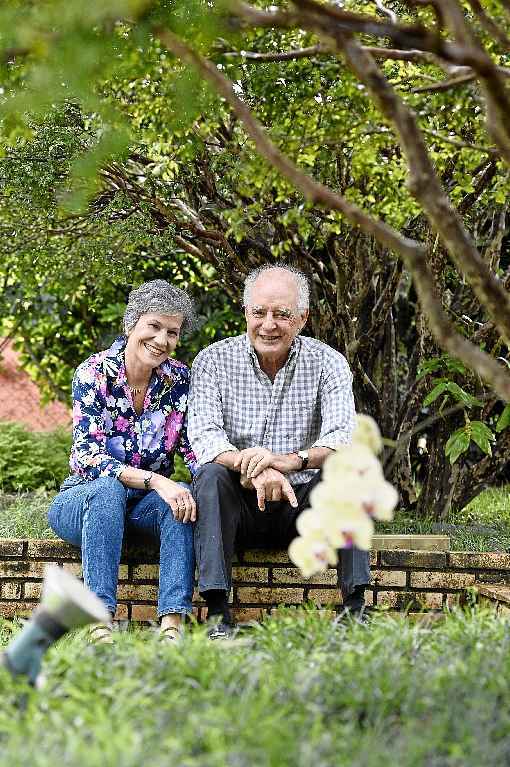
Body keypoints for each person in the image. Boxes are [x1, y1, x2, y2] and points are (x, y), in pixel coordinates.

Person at [188, 264, 371, 638]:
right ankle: (219, 616)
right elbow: (205, 437)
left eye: (282, 314)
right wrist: (256, 468)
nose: (268, 324)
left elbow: (342, 435)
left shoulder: (329, 363)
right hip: (238, 504)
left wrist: (289, 461)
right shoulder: (212, 361)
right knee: (209, 475)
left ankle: (355, 609)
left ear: (302, 318)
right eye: (259, 312)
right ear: (246, 314)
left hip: (302, 507)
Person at [48, 280, 198, 643]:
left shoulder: (179, 381)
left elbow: (193, 450)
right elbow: (88, 456)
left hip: (141, 509)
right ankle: (100, 622)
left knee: (181, 498)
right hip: (83, 499)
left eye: (172, 332)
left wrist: (218, 482)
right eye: (154, 326)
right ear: (132, 324)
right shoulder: (93, 372)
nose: (162, 340)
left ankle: (171, 625)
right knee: (108, 489)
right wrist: (155, 480)